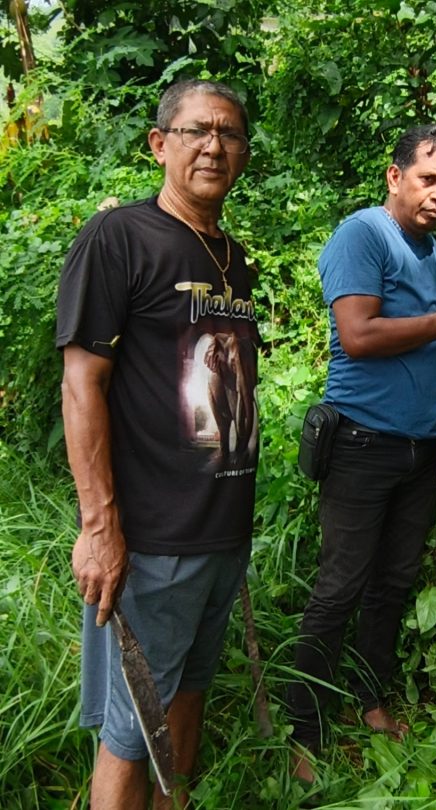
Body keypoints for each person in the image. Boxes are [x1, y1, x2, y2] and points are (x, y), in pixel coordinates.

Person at [56, 79, 259, 809]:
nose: (214, 145)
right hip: (152, 540)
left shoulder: (236, 260)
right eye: (197, 129)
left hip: (220, 534)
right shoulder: (119, 239)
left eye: (230, 134)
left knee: (185, 703)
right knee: (131, 730)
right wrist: (100, 526)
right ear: (159, 143)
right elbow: (82, 384)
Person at [288, 124, 436, 782]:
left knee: (393, 583)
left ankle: (370, 701)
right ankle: (304, 729)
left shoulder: (427, 250)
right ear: (394, 175)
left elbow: (418, 337)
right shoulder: (363, 235)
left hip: (421, 448)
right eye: (429, 178)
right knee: (340, 587)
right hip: (363, 443)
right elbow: (360, 336)